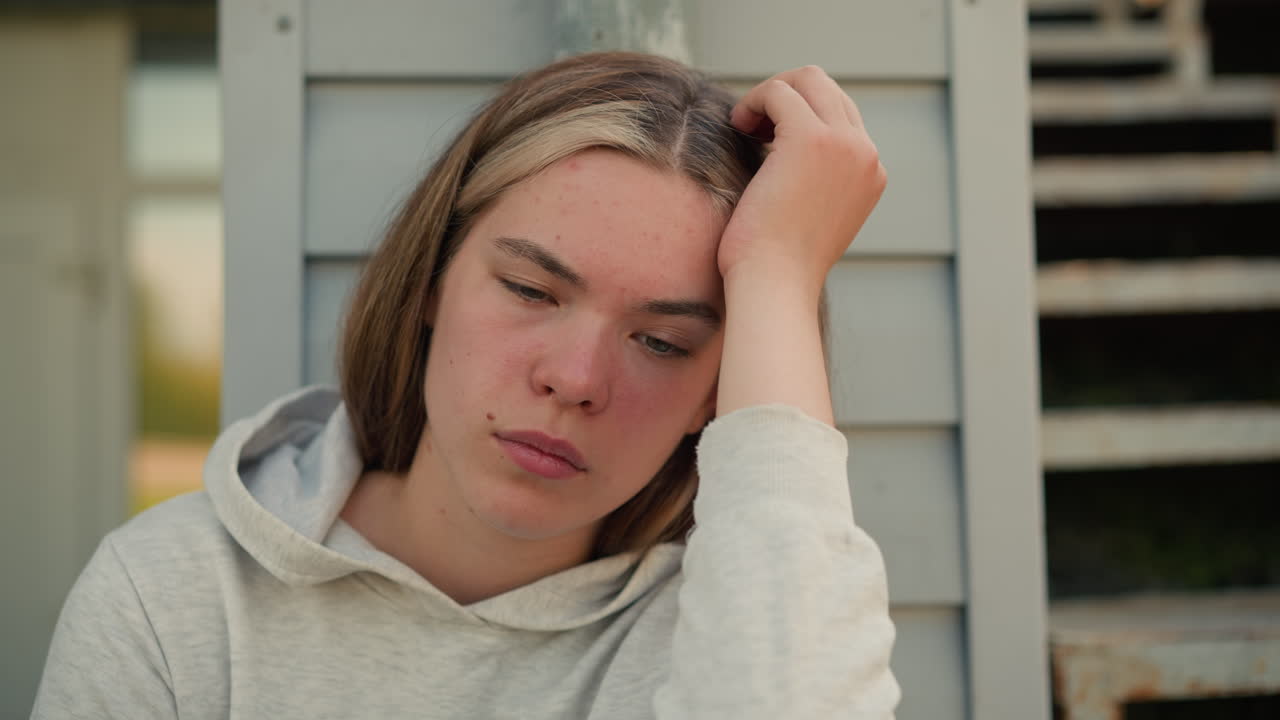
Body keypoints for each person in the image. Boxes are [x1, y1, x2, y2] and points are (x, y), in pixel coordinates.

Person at [33, 52, 898, 718]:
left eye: (664, 342)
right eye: (529, 290)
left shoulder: (733, 633)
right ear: (427, 283)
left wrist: (779, 273)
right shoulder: (176, 598)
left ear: (721, 393)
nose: (574, 378)